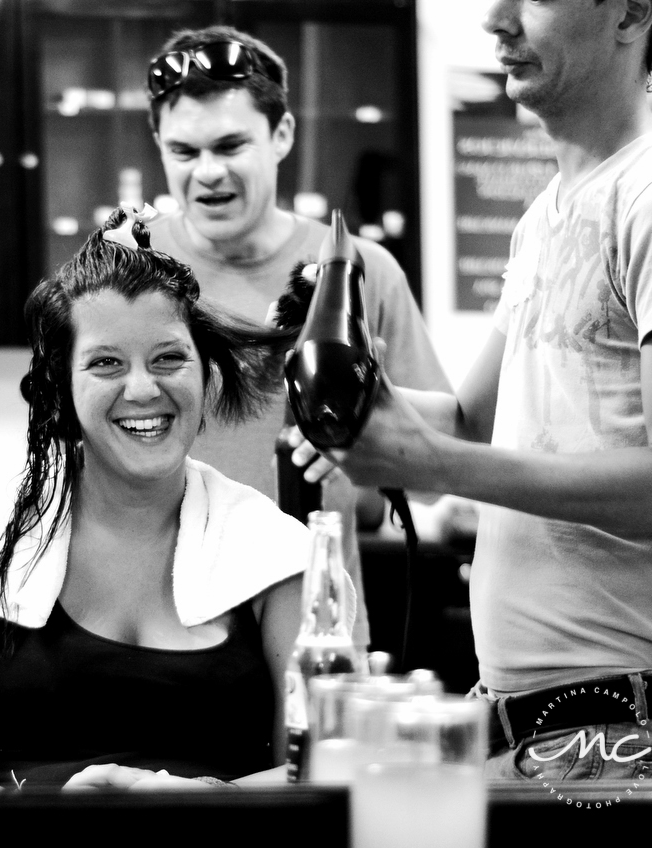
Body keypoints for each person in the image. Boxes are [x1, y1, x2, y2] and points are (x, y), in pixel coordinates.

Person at [321, 0, 652, 780]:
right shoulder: (544, 217)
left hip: (624, 727)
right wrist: (344, 400)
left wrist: (436, 464)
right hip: (520, 721)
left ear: (630, 12)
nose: (495, 20)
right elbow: (466, 420)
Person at [0, 207, 345, 790]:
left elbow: (333, 760)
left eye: (169, 358)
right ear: (61, 386)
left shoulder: (274, 552)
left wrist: (208, 800)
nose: (143, 389)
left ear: (205, 373)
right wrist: (24, 816)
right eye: (106, 363)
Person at [143, 25, 452, 652]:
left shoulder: (354, 271)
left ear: (281, 135)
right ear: (157, 145)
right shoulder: (127, 267)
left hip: (311, 622)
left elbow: (433, 469)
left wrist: (376, 422)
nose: (208, 173)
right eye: (184, 151)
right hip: (149, 623)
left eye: (231, 146)